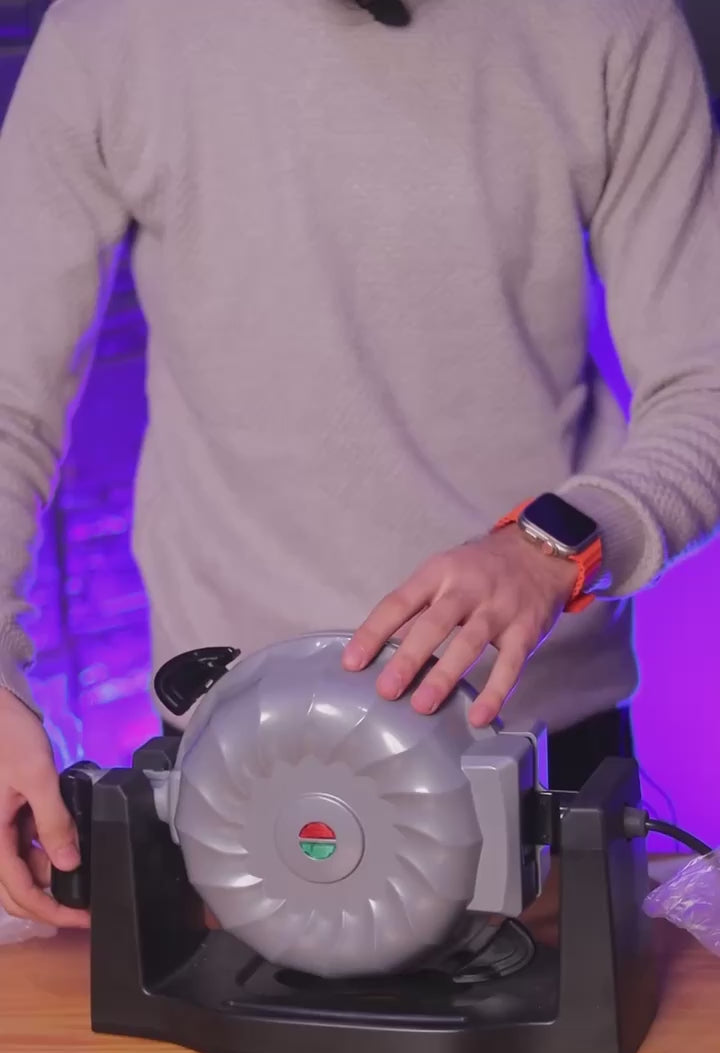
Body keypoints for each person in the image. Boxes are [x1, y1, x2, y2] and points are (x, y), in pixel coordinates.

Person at [1, 0, 719, 929]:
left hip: (535, 766)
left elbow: (705, 390)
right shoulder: (111, 28)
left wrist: (554, 548)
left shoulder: (609, 21)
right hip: (236, 771)